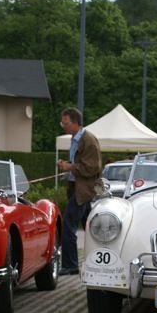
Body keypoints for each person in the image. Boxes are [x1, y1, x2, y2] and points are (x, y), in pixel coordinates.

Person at [56, 107, 102, 276]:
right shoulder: (76, 138)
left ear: (76, 123)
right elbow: (80, 163)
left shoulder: (89, 140)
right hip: (76, 188)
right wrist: (67, 164)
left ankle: (71, 265)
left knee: (68, 226)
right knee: (91, 228)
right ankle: (97, 260)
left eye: (66, 123)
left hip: (82, 191)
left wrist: (70, 167)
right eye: (62, 123)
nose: (63, 126)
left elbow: (92, 168)